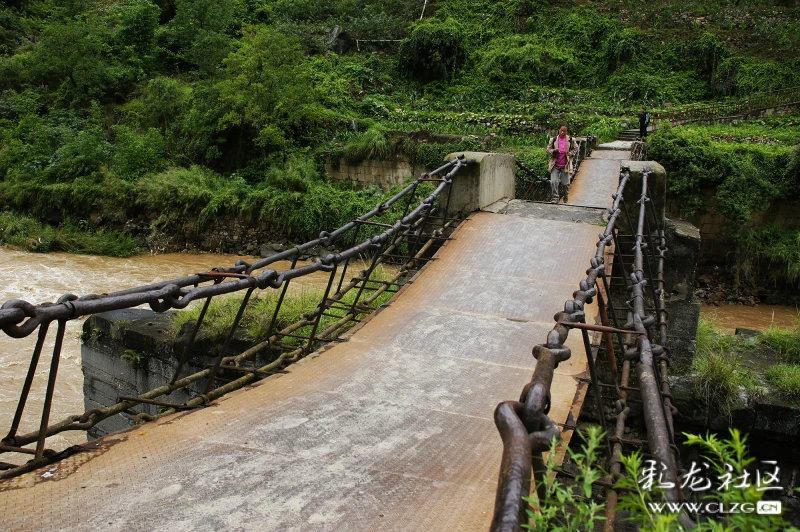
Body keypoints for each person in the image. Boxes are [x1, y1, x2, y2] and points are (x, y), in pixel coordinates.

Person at [547, 124, 578, 203]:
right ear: (559, 130)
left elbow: (576, 148)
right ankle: (555, 198)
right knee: (554, 181)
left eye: (564, 131)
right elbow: (548, 150)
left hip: (565, 165)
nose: (562, 132)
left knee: (565, 183)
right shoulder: (553, 139)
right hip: (555, 165)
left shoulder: (571, 140)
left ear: (567, 131)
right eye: (561, 130)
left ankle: (566, 194)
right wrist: (554, 150)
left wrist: (571, 153)